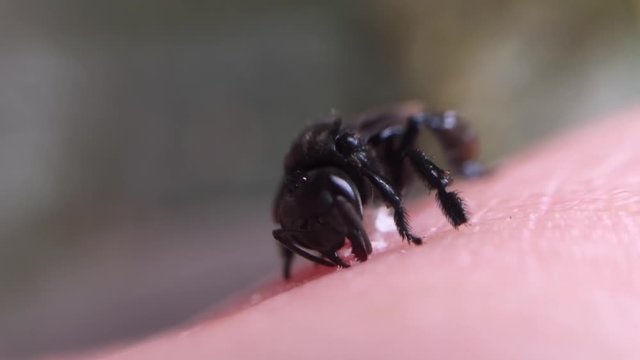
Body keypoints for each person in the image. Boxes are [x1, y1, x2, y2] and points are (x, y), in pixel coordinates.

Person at [83, 107, 640, 359]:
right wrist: (294, 259)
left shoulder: (350, 159)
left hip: (398, 137)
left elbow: (390, 158)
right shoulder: (302, 183)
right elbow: (289, 219)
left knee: (423, 128)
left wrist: (401, 211)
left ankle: (461, 188)